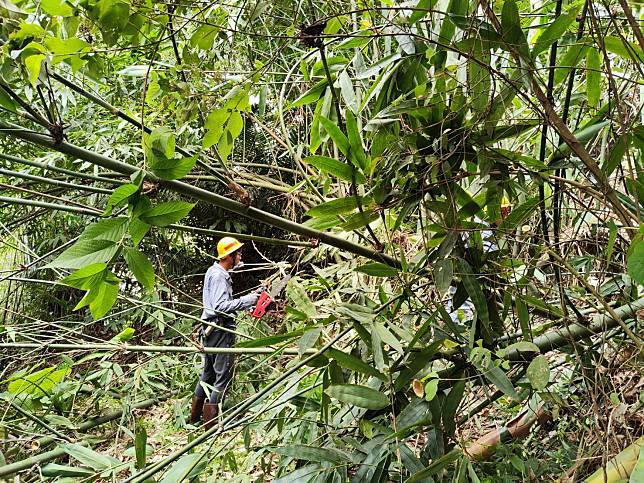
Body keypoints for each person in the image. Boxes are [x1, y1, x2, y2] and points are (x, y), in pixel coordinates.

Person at [190, 236, 260, 430]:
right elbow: (220, 306)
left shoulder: (213, 271)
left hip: (209, 329)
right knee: (223, 377)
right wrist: (249, 300)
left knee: (208, 374)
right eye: (237, 253)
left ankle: (195, 418)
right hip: (220, 329)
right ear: (228, 256)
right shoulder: (220, 275)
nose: (240, 255)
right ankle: (211, 426)